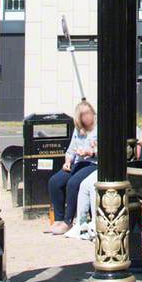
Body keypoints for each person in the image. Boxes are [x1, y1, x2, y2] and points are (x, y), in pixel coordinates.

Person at [46, 100, 97, 234]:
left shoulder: (99, 128)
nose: (87, 116)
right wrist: (67, 160)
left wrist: (90, 152)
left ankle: (68, 221)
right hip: (78, 161)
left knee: (73, 183)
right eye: (83, 115)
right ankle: (58, 219)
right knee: (55, 181)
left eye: (88, 113)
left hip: (94, 162)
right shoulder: (78, 130)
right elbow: (71, 150)